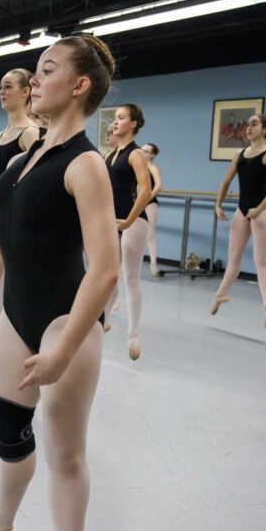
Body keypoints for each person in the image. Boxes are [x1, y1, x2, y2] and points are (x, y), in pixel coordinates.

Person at [0, 34, 119, 531]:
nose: (35, 78)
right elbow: (1, 246)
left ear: (79, 86)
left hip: (63, 321)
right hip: (15, 315)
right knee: (7, 430)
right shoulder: (24, 159)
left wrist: (64, 345)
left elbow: (103, 269)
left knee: (65, 453)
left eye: (47, 69)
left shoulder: (85, 164)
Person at [0, 69, 42, 384]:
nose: (2, 92)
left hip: (17, 222)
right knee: (2, 292)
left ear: (26, 91)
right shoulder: (1, 135)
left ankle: (4, 355)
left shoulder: (29, 133)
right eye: (0, 87)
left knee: (12, 293)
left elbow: (32, 183)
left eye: (8, 87)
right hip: (3, 220)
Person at [210, 114, 266, 329]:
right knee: (233, 257)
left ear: (265, 130)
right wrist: (218, 204)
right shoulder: (240, 154)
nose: (248, 127)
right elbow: (226, 181)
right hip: (242, 210)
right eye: (247, 124)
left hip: (262, 210)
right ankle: (221, 294)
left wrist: (259, 209)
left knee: (260, 259)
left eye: (254, 124)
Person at [105, 104, 153, 360]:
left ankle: (133, 333)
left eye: (121, 118)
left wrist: (129, 221)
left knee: (130, 277)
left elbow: (145, 190)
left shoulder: (135, 154)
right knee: (108, 274)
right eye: (115, 118)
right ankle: (101, 321)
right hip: (114, 223)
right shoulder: (111, 155)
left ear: (133, 124)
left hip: (134, 222)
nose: (115, 122)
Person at [141, 142, 163, 277]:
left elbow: (159, 185)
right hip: (137, 203)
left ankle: (153, 267)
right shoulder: (138, 168)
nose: (143, 153)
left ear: (152, 154)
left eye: (146, 151)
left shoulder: (152, 168)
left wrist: (148, 198)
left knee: (149, 233)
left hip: (150, 204)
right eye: (142, 150)